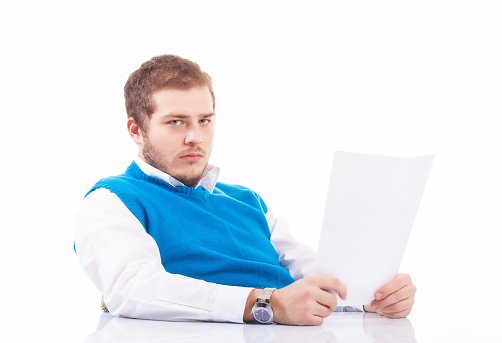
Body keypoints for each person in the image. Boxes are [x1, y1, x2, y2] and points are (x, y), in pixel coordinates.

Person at [73, 54, 416, 325]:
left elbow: (314, 275)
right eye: (176, 121)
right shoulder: (112, 200)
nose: (195, 136)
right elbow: (131, 289)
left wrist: (371, 294)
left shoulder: (247, 201)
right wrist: (267, 304)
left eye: (204, 120)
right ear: (136, 129)